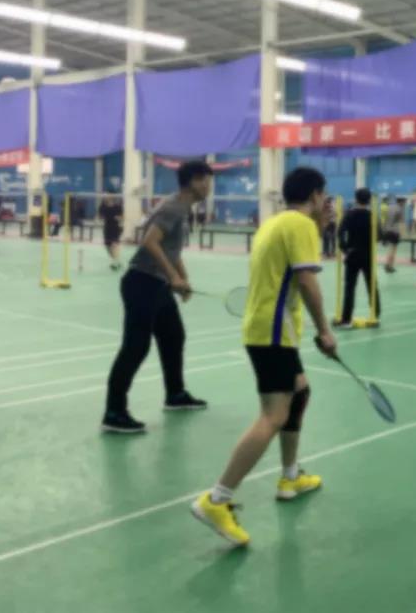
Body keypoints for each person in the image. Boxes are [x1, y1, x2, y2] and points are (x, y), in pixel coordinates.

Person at [192, 167, 337, 547]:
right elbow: (307, 281)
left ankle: (290, 477)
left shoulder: (276, 223)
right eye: (323, 195)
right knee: (273, 416)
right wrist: (325, 330)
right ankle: (216, 500)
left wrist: (320, 227)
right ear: (316, 194)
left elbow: (290, 268)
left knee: (299, 392)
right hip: (274, 332)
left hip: (265, 328)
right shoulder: (300, 226)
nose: (325, 201)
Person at [100, 161, 213, 434]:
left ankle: (175, 394)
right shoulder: (174, 207)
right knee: (135, 347)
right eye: (206, 180)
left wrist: (181, 278)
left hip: (157, 284)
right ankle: (114, 412)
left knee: (174, 336)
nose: (209, 186)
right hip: (142, 283)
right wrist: (173, 277)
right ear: (194, 182)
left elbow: (171, 249)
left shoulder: (182, 208)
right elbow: (150, 242)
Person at [337, 188, 382, 328]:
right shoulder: (372, 216)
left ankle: (346, 319)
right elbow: (379, 235)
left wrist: (345, 249)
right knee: (372, 284)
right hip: (368, 254)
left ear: (356, 199)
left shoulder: (349, 215)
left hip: (353, 254)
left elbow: (340, 232)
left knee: (349, 287)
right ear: (369, 200)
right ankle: (375, 315)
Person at [98, 194, 123, 271]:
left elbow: (121, 217)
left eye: (109, 195)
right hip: (107, 228)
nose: (107, 197)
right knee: (108, 247)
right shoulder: (103, 206)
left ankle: (114, 262)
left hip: (115, 227)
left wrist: (119, 218)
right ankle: (116, 260)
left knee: (114, 245)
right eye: (106, 195)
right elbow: (99, 216)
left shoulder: (118, 206)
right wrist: (101, 218)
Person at [382, 196, 405, 274]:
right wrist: (402, 233)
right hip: (395, 231)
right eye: (404, 203)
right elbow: (401, 221)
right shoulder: (400, 209)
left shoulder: (389, 207)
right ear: (401, 202)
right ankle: (389, 266)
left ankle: (387, 264)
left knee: (390, 248)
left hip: (387, 230)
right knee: (393, 250)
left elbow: (384, 219)